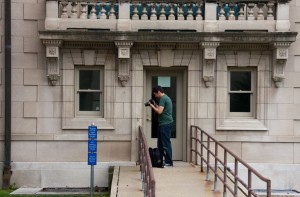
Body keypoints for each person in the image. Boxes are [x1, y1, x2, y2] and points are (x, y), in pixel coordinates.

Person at [148, 85, 173, 167]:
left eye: (155, 94)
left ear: (159, 92)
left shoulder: (163, 98)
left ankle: (169, 162)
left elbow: (159, 111)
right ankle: (161, 161)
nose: (155, 96)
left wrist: (151, 106)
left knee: (165, 144)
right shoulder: (166, 98)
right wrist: (155, 104)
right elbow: (161, 109)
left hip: (165, 124)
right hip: (164, 124)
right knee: (161, 144)